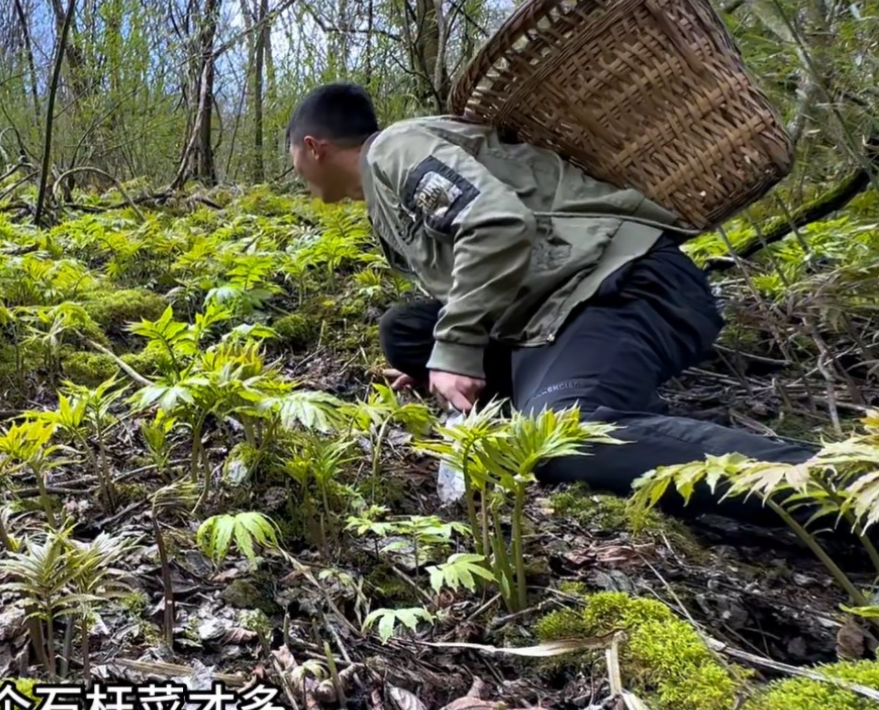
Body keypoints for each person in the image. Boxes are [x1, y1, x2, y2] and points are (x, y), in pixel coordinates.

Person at [285, 81, 821, 529]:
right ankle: (535, 402)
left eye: (294, 163)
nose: (299, 178)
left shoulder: (395, 149)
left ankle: (827, 484)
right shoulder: (383, 193)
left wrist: (457, 350)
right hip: (550, 313)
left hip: (620, 283)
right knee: (406, 333)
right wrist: (438, 356)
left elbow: (496, 224)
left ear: (313, 147)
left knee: (564, 441)